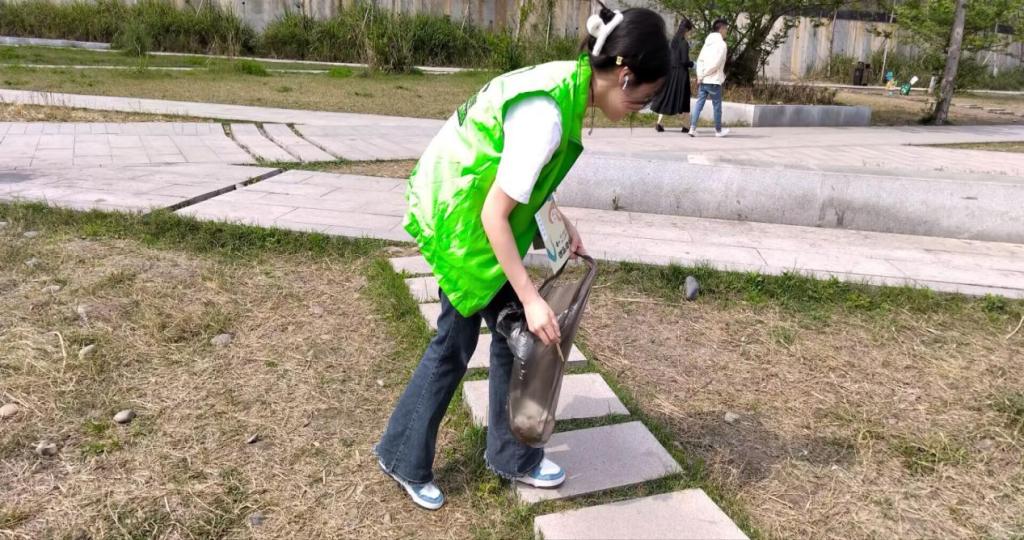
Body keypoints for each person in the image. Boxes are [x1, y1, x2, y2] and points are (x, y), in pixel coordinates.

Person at [373, 2, 669, 511]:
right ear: (624, 77)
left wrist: (560, 223)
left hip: (469, 208)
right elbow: (495, 214)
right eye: (642, 101)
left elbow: (523, 179)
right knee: (459, 341)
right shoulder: (548, 115)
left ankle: (510, 454)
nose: (639, 111)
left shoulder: (567, 86)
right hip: (460, 219)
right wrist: (531, 298)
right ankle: (403, 455)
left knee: (511, 339)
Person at [651, 18, 695, 133]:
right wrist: (693, 64)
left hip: (670, 73)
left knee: (667, 97)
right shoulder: (684, 43)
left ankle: (659, 123)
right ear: (687, 30)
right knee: (684, 100)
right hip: (681, 75)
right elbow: (684, 61)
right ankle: (686, 126)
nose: (690, 34)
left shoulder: (672, 41)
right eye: (690, 32)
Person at [690, 18, 730, 138]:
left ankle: (692, 128)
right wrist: (704, 75)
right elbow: (716, 64)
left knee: (699, 105)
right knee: (717, 107)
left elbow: (700, 60)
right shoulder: (722, 45)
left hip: (703, 80)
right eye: (726, 29)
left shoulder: (707, 43)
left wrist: (700, 76)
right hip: (713, 80)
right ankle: (718, 131)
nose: (726, 32)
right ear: (721, 29)